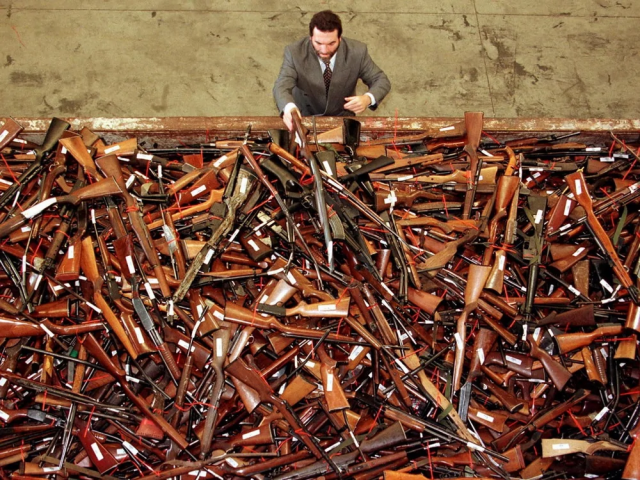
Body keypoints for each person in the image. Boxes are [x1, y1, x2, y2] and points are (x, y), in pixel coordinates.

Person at [273, 10, 391, 130]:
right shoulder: (294, 53)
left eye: (331, 43)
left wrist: (367, 98)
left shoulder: (357, 52)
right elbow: (281, 86)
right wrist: (289, 108)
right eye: (318, 43)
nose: (324, 50)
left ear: (340, 38)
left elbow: (381, 80)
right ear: (311, 38)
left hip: (343, 120)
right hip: (304, 119)